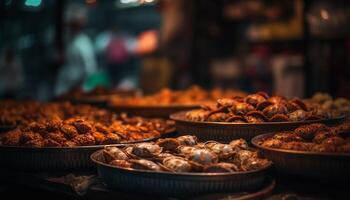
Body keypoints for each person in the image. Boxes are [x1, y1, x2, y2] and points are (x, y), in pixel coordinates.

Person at [55, 3, 97, 96]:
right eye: (71, 24)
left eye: (75, 24)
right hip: (62, 88)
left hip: (79, 89)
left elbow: (90, 68)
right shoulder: (62, 39)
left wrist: (82, 85)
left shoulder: (84, 42)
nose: (72, 27)